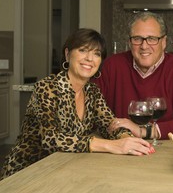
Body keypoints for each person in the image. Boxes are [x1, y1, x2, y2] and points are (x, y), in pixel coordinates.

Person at [0, 28, 154, 180]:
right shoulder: (47, 88)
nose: (89, 58)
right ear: (67, 55)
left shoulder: (92, 91)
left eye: (96, 54)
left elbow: (109, 124)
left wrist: (127, 140)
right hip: (28, 172)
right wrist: (111, 145)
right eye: (82, 50)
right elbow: (51, 139)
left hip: (64, 168)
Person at [92, 11, 173, 140]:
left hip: (166, 151)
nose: (144, 46)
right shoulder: (111, 66)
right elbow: (91, 110)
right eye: (137, 39)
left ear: (164, 42)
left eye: (152, 39)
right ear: (129, 42)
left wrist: (145, 131)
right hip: (120, 149)